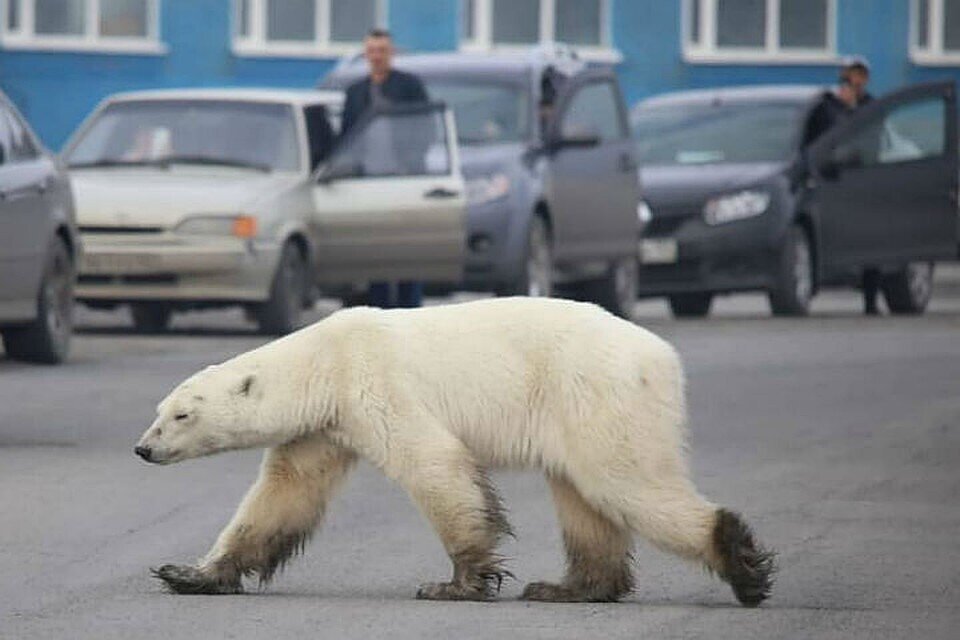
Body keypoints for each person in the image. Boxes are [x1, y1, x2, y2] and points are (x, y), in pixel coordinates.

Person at [340, 28, 430, 309]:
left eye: (382, 51)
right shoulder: (356, 93)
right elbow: (346, 137)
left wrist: (410, 163)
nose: (377, 57)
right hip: (369, 183)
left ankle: (410, 309)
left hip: (405, 181)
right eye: (372, 51)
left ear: (391, 54)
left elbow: (425, 128)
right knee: (376, 252)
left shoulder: (409, 87)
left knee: (409, 250)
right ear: (366, 54)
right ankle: (379, 310)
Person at [840, 57, 881, 315]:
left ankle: (870, 300)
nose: (855, 80)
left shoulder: (871, 105)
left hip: (866, 177)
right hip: (839, 179)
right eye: (851, 74)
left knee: (870, 241)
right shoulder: (833, 105)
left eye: (860, 75)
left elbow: (873, 139)